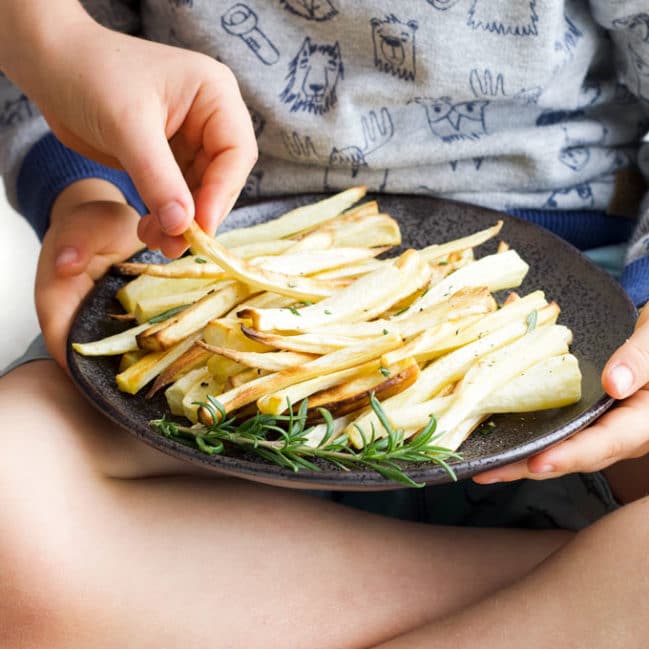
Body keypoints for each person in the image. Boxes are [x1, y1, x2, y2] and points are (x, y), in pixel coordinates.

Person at [1, 1, 649, 647]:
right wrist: (86, 192)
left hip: (562, 300)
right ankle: (564, 581)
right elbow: (52, 62)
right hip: (222, 296)